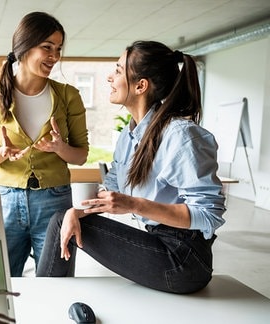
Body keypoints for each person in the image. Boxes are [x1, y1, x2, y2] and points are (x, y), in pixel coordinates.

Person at [36, 40, 227, 294]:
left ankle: (40, 301)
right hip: (158, 241)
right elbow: (111, 187)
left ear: (140, 85)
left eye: (117, 70)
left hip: (185, 260)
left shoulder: (180, 136)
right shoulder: (129, 137)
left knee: (61, 221)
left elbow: (209, 215)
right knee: (65, 217)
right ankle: (46, 301)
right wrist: (77, 211)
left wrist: (134, 204)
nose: (109, 77)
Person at [0, 12, 89, 277]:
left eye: (58, 49)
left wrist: (60, 148)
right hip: (5, 199)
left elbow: (81, 155)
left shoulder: (68, 95)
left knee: (56, 280)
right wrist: (2, 153)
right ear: (24, 47)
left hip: (54, 201)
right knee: (2, 282)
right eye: (47, 47)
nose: (55, 56)